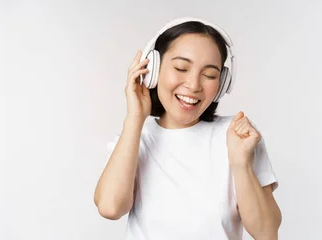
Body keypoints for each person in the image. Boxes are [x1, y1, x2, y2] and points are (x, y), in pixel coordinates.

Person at [93, 18, 282, 240]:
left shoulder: (238, 136)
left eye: (209, 75)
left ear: (222, 84)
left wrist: (241, 163)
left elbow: (267, 233)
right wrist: (135, 118)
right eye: (181, 68)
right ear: (153, 70)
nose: (193, 85)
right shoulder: (133, 140)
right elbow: (110, 208)